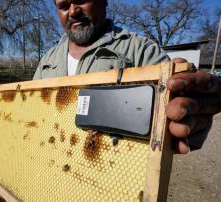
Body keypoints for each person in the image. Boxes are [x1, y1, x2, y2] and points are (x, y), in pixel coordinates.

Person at [33, 0, 221, 154]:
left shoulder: (141, 51)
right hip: (50, 170)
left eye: (81, 0)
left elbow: (181, 111)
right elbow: (31, 116)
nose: (73, 11)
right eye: (64, 6)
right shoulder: (48, 59)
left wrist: (193, 112)